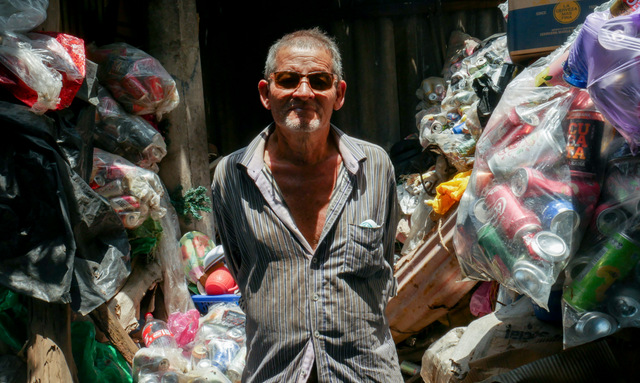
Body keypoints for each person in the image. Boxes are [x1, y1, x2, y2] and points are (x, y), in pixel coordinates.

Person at [211, 27, 403, 383]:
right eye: (287, 79)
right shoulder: (232, 176)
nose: (303, 92)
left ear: (339, 93)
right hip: (275, 372)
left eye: (319, 80)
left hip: (365, 372)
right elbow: (243, 270)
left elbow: (385, 261)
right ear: (266, 93)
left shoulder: (375, 167)